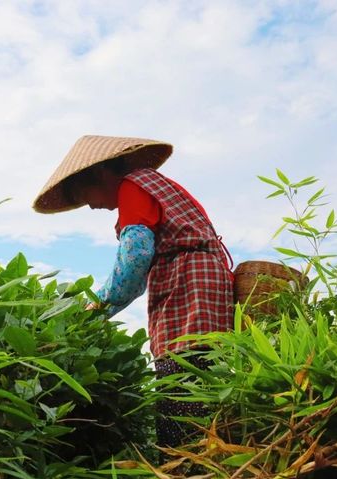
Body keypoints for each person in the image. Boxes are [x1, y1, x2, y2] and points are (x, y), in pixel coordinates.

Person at [32, 135, 234, 448]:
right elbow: (140, 271)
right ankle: (207, 461)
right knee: (206, 373)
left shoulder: (133, 187)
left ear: (100, 174)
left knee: (181, 380)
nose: (91, 205)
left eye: (85, 195)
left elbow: (135, 257)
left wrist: (97, 309)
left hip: (188, 289)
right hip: (205, 282)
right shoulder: (157, 186)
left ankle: (186, 473)